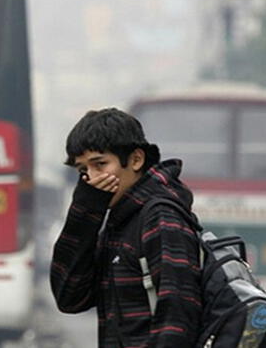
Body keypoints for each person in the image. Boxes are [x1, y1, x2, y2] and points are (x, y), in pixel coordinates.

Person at [50, 108, 202, 348]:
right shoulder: (118, 220)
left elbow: (178, 316)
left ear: (136, 160)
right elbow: (70, 297)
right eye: (83, 171)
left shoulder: (160, 217)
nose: (91, 178)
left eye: (100, 164)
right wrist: (84, 212)